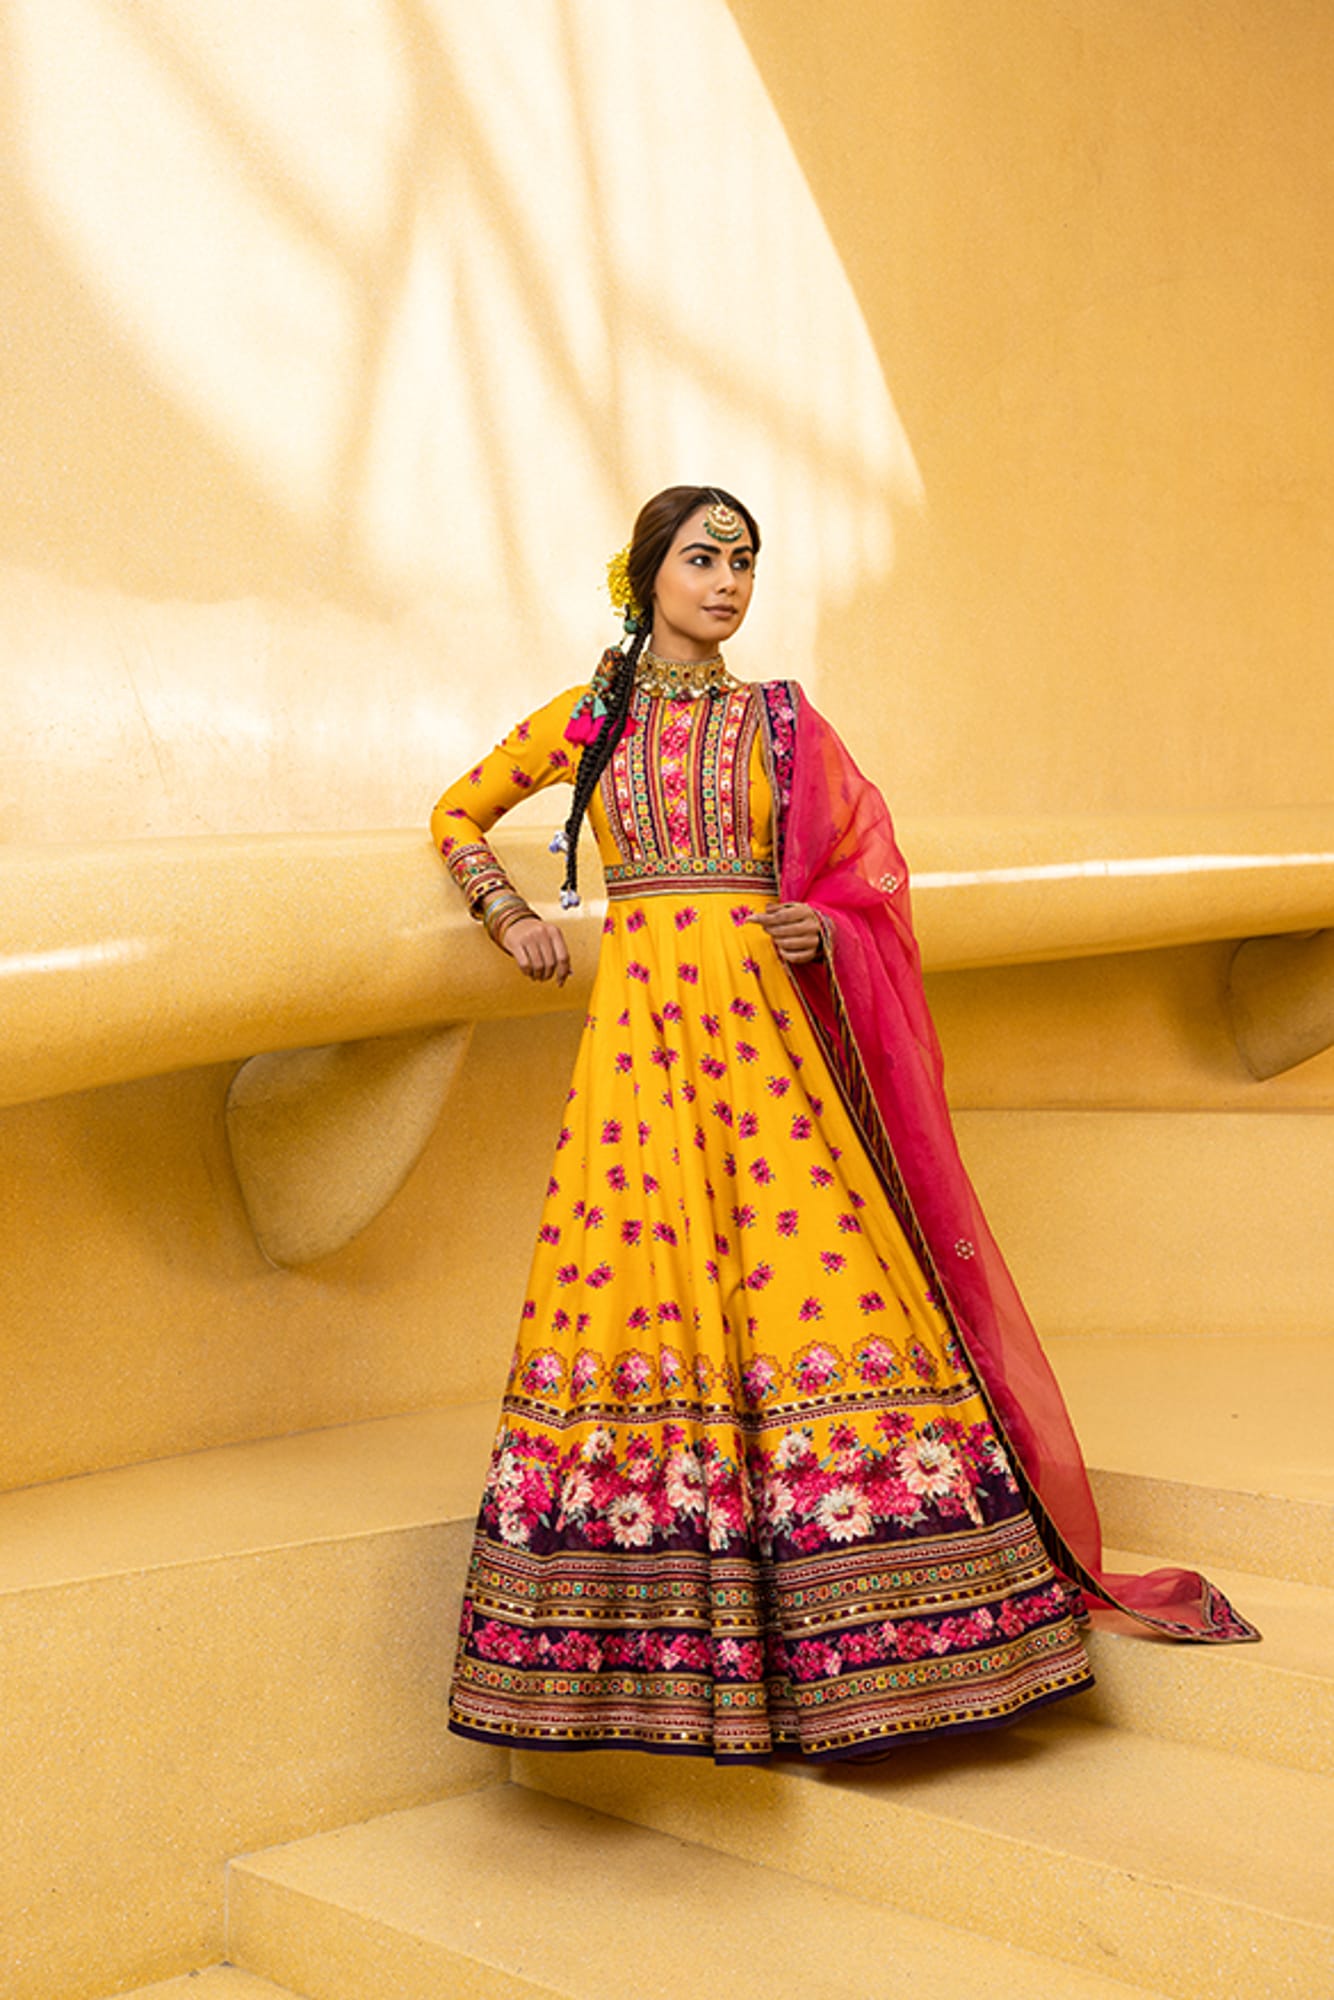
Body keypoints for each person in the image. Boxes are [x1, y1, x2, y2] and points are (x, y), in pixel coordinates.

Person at [430, 484, 1256, 1766]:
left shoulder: (782, 719)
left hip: (764, 1034)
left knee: (814, 1281)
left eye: (743, 560)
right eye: (701, 557)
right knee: (641, 1295)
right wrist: (510, 917)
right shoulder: (593, 715)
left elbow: (869, 862)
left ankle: (909, 1631)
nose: (725, 580)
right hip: (640, 1050)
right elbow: (456, 812)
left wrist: (829, 925)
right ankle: (648, 1652)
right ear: (644, 571)